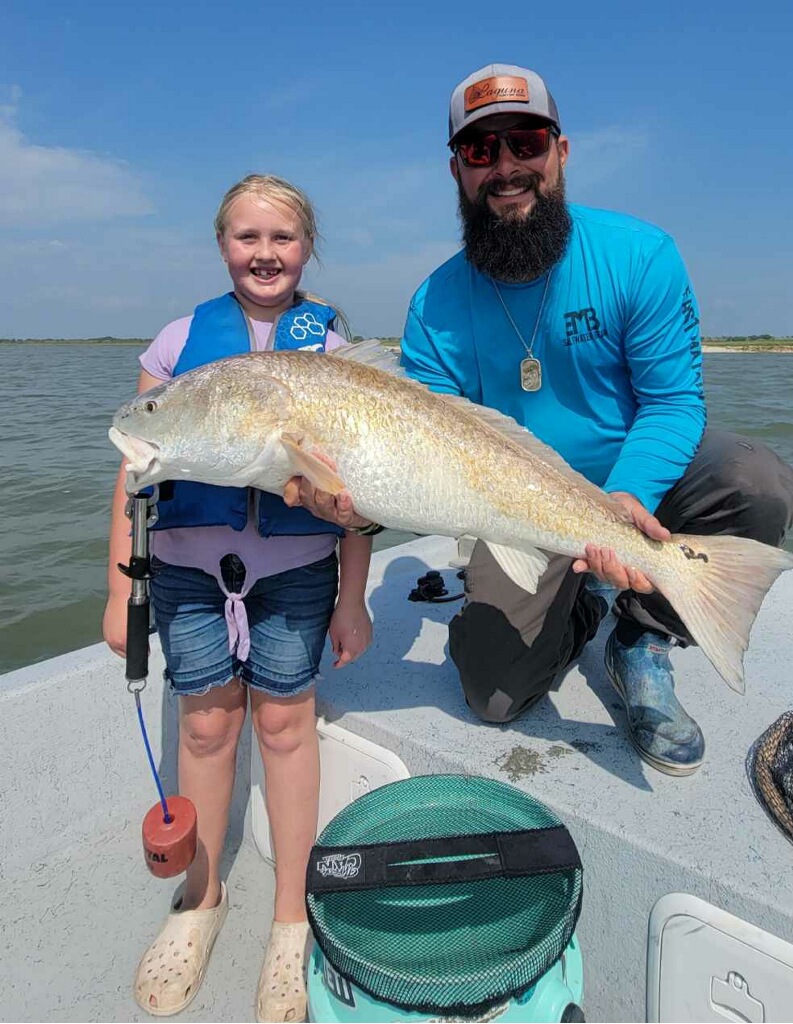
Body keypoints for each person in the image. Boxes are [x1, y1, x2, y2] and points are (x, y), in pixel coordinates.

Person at [289, 64, 793, 778]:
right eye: (478, 151)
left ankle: (642, 639)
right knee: (493, 695)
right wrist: (352, 509)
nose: (505, 167)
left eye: (524, 142)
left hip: (632, 482)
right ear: (456, 169)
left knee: (756, 479)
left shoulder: (639, 256)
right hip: (513, 504)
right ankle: (581, 599)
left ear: (560, 150)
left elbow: (673, 402)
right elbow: (421, 459)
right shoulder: (433, 305)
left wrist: (622, 504)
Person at [103, 174, 375, 1022]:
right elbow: (134, 466)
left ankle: (290, 919)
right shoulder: (180, 339)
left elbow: (361, 494)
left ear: (307, 249)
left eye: (283, 239)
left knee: (286, 725)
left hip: (296, 570)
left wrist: (353, 598)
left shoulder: (333, 355)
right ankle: (201, 897)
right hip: (186, 563)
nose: (265, 254)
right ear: (223, 244)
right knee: (205, 723)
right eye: (247, 237)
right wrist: (120, 589)